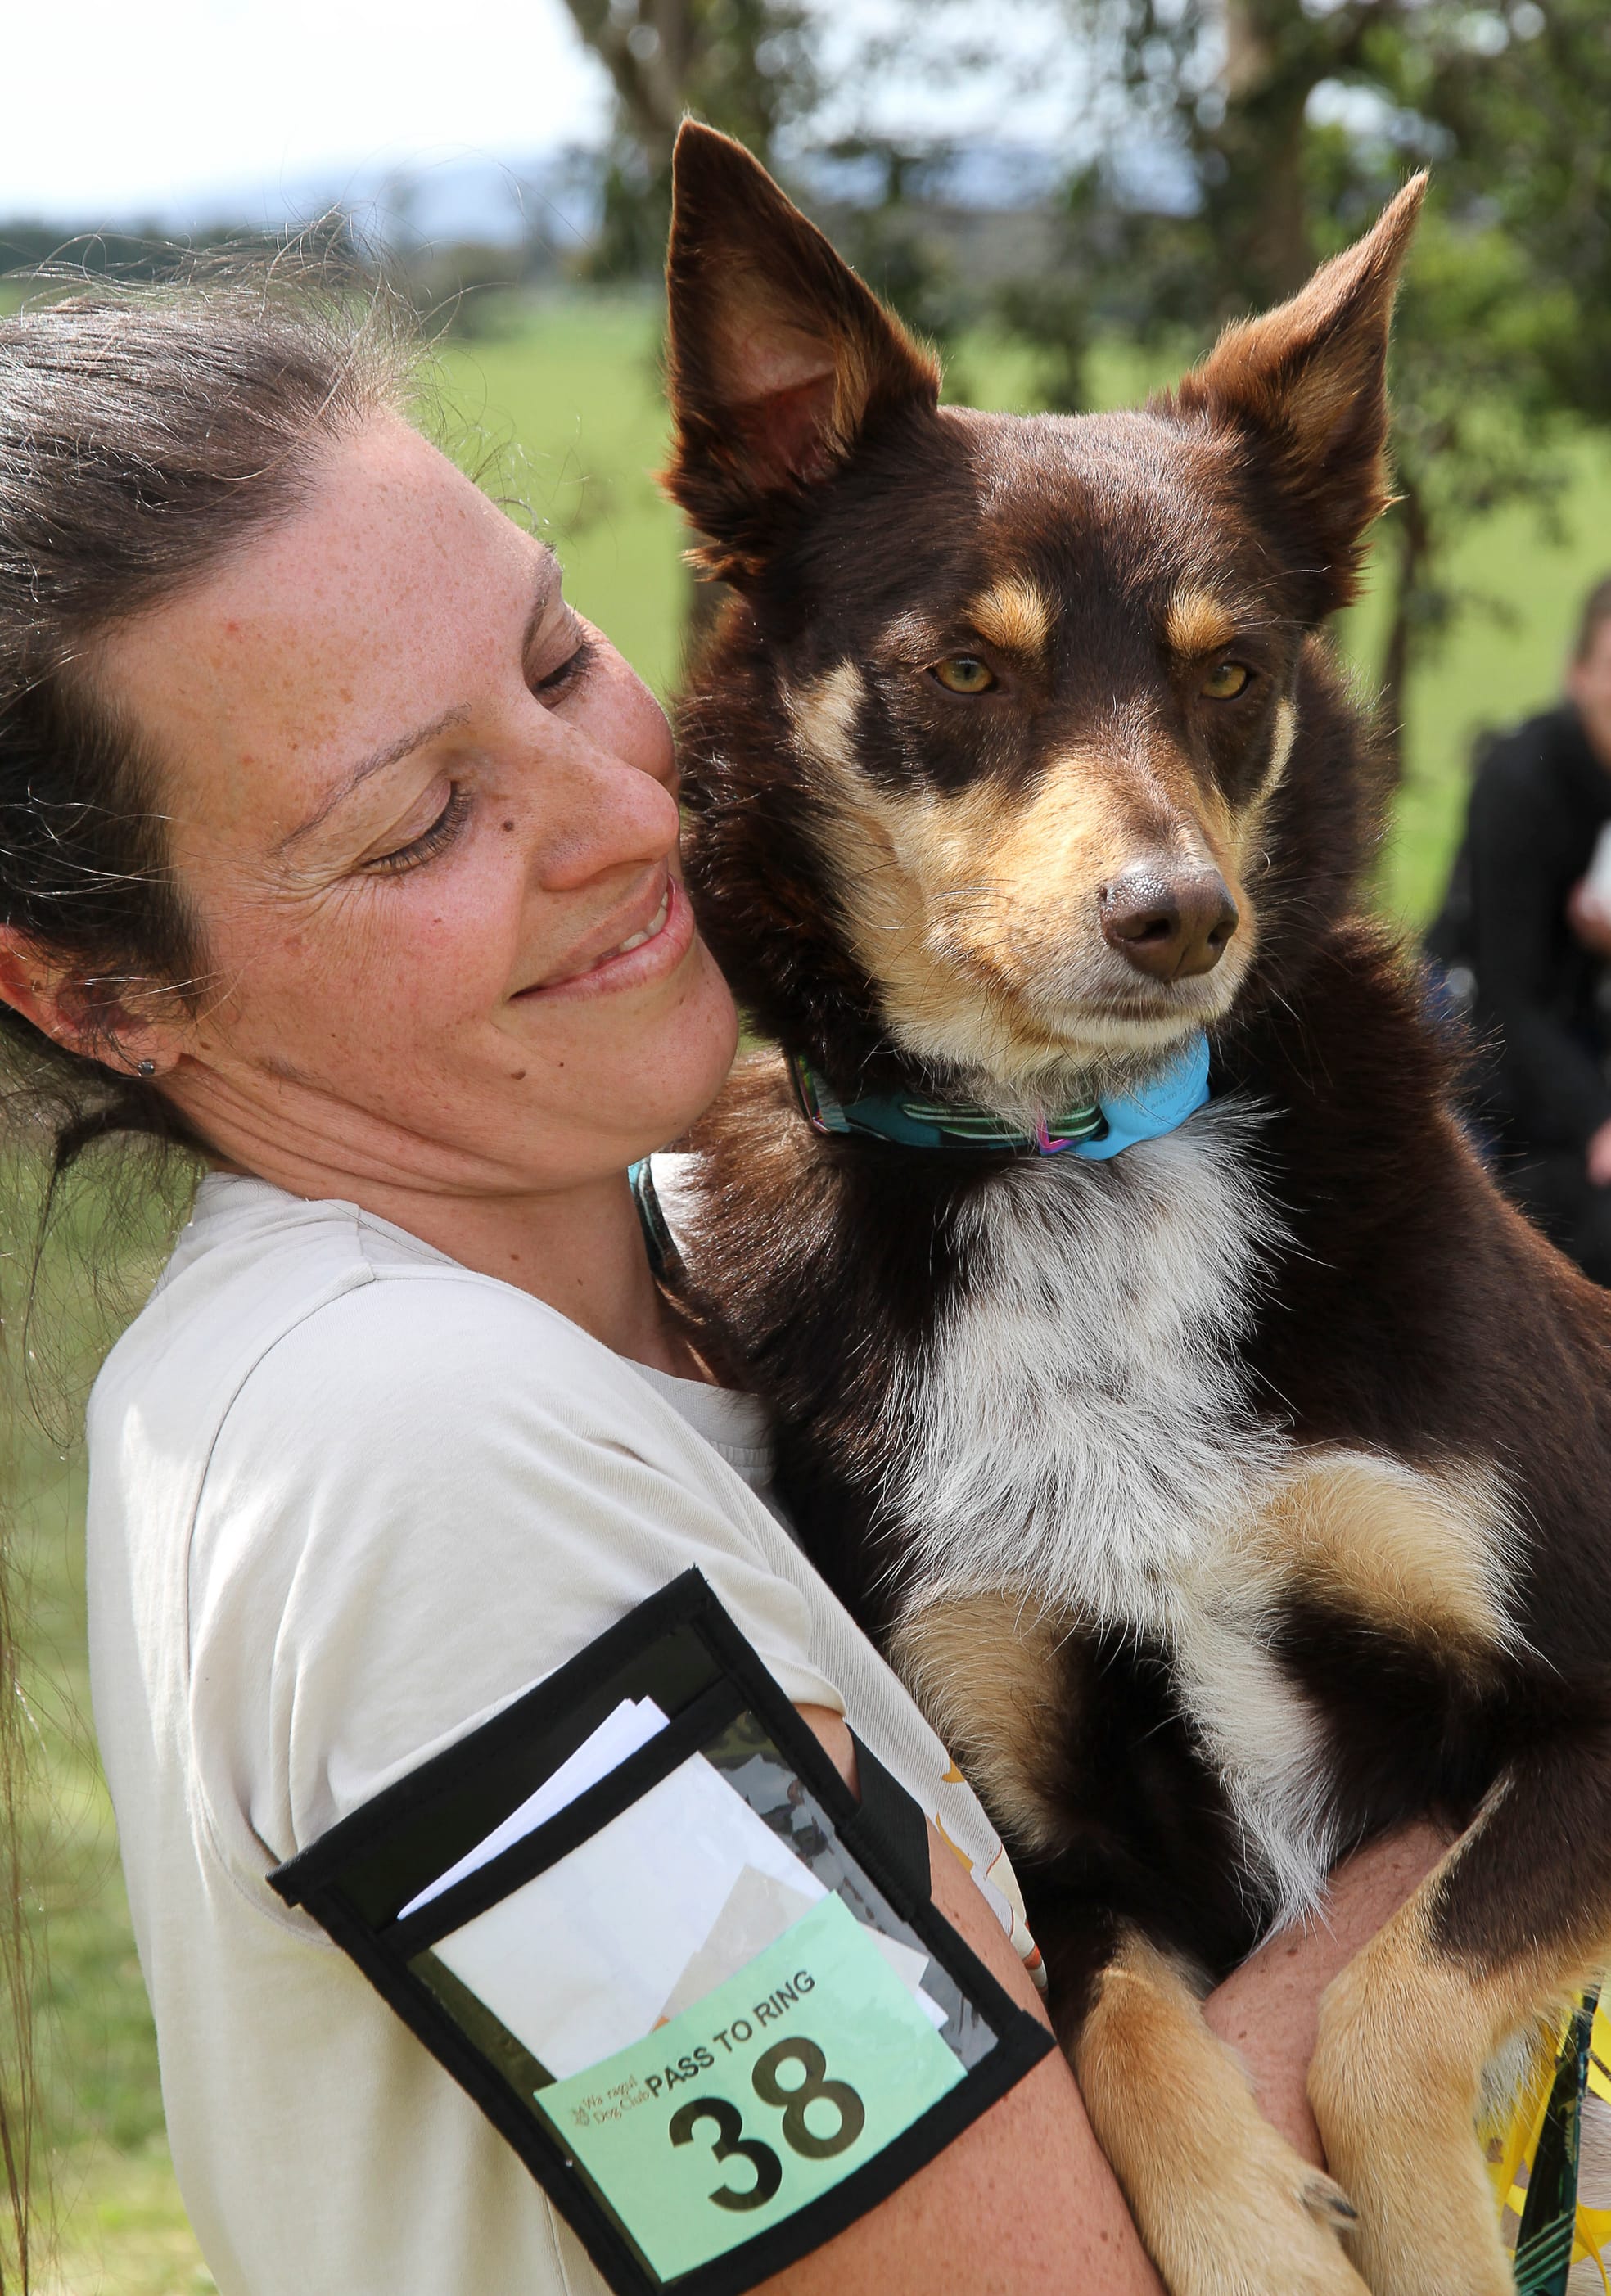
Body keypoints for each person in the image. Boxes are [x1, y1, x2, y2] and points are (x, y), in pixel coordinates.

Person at [0, 281, 1442, 2296]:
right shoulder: (415, 1458)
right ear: (98, 991)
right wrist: (1468, 1832)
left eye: (555, 654)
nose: (623, 807)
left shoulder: (716, 1262)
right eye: (420, 820)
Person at [1434, 568, 1611, 1294]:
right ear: (1577, 675)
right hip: (1501, 1049)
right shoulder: (1522, 782)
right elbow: (1507, 1000)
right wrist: (1604, 1123)